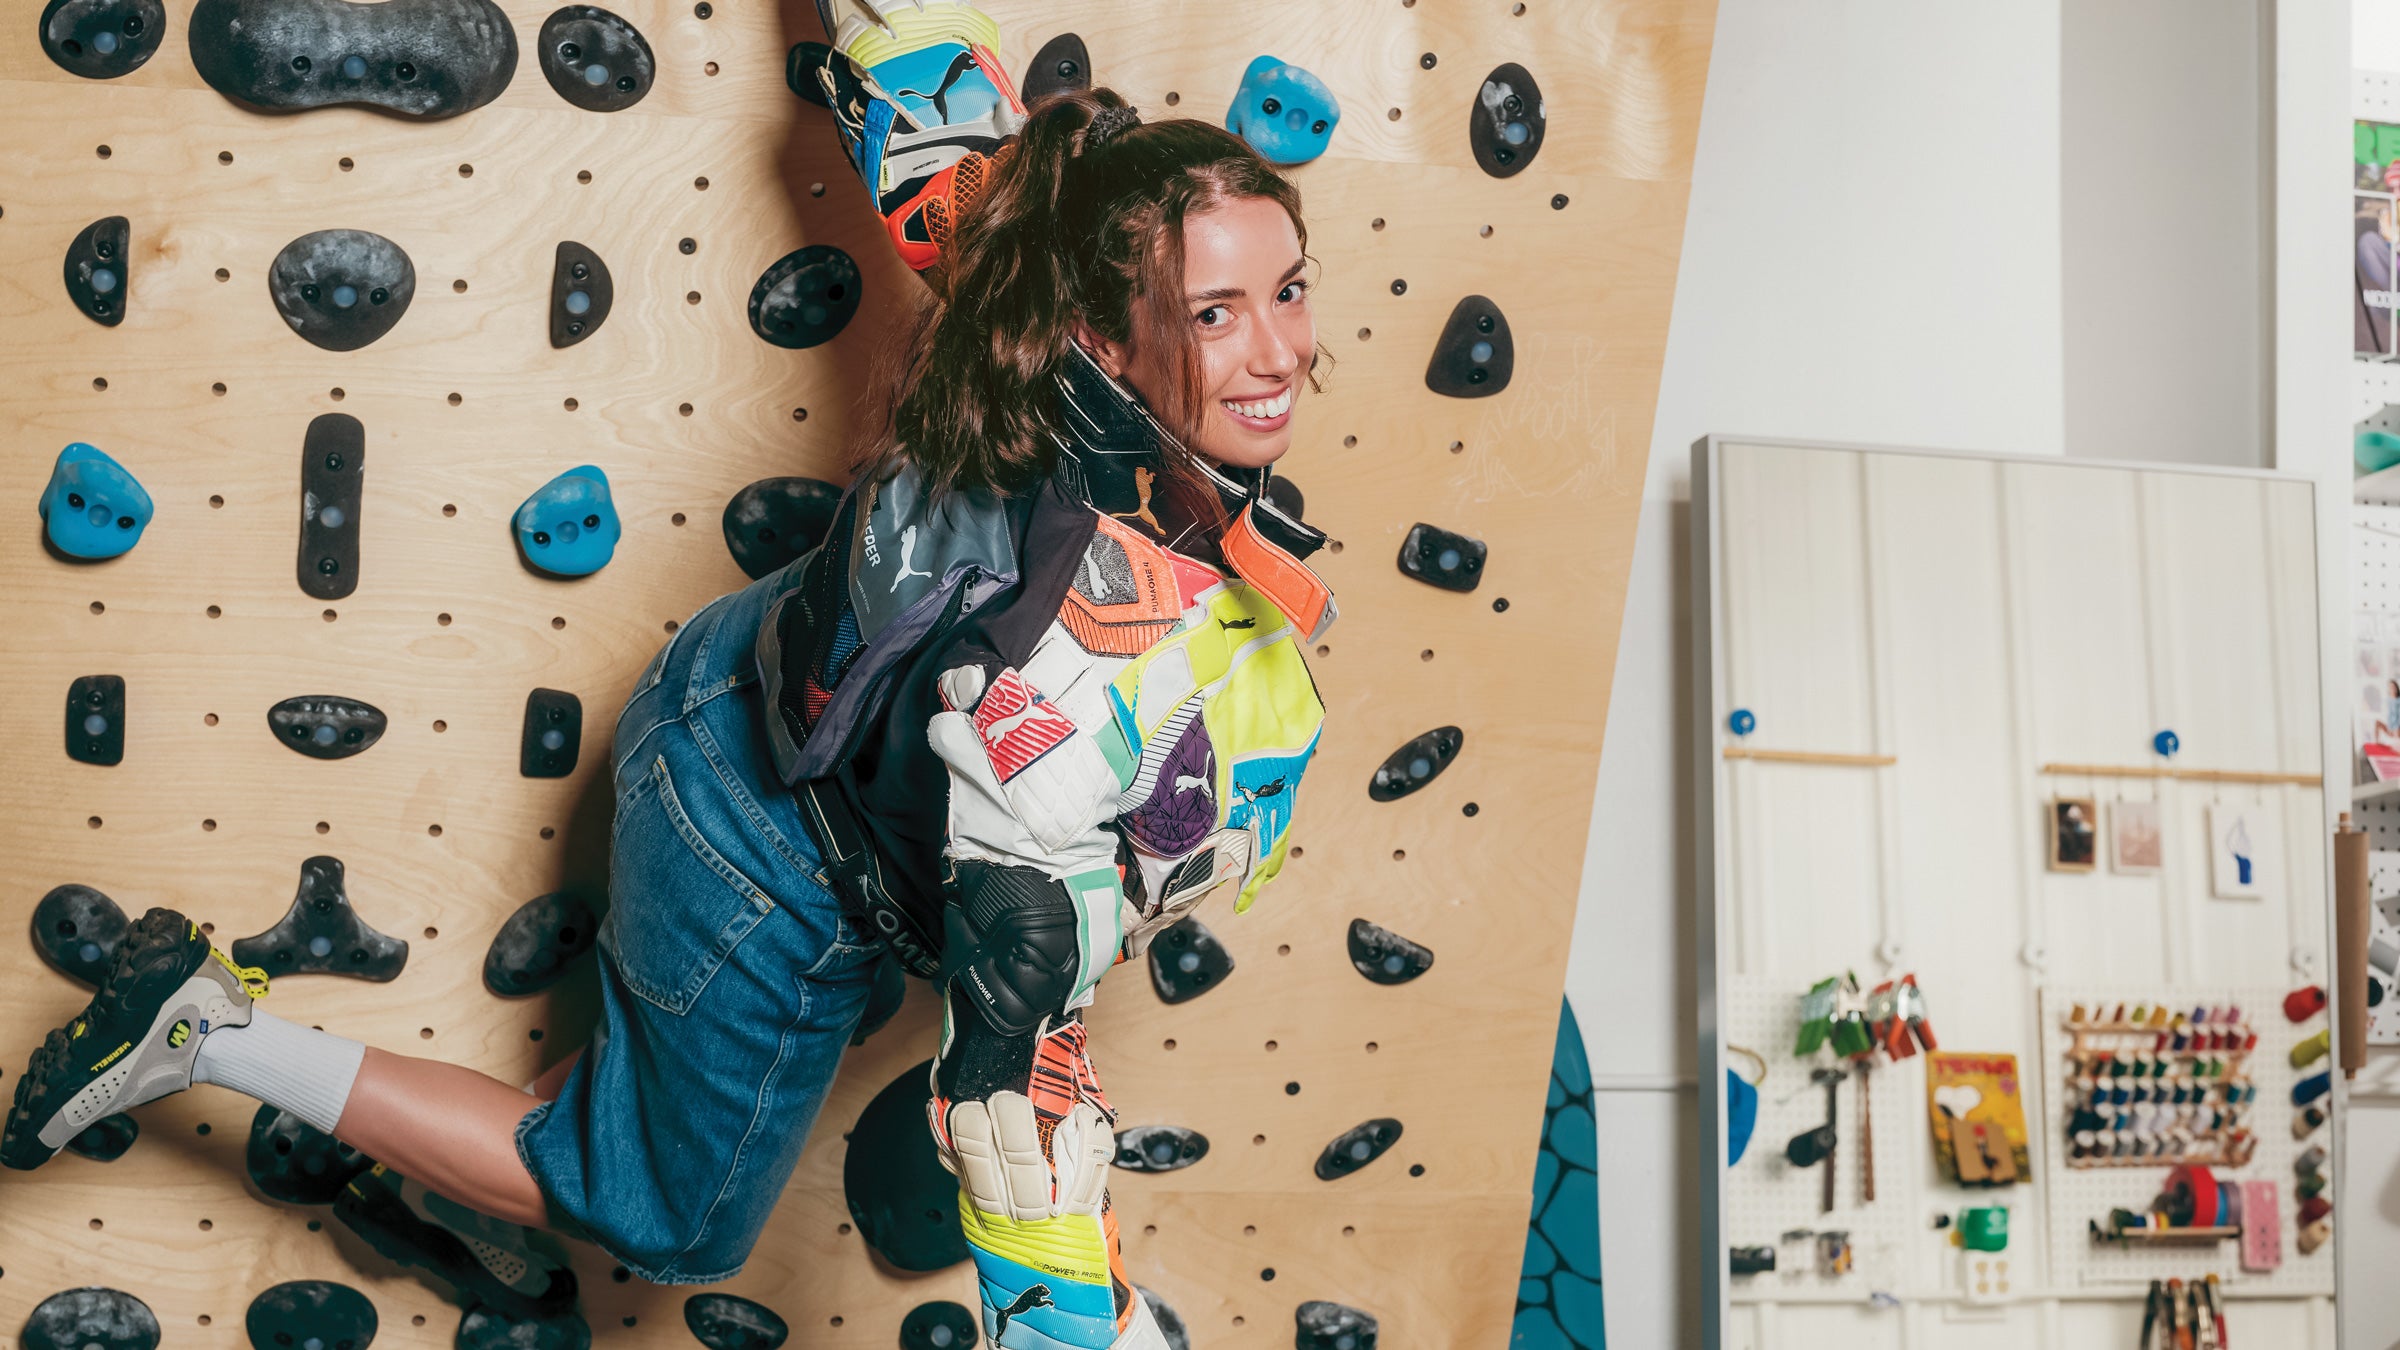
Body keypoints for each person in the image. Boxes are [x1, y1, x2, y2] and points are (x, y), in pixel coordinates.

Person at [3, 3, 1336, 1347]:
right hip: (764, 845)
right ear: (1105, 337)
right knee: (671, 1216)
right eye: (1213, 315)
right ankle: (204, 1030)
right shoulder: (1066, 670)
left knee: (655, 1114)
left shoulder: (1027, 267)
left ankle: (510, 1155)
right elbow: (1014, 1095)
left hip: (750, 696)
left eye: (1287, 290)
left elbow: (917, 68)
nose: (1278, 354)